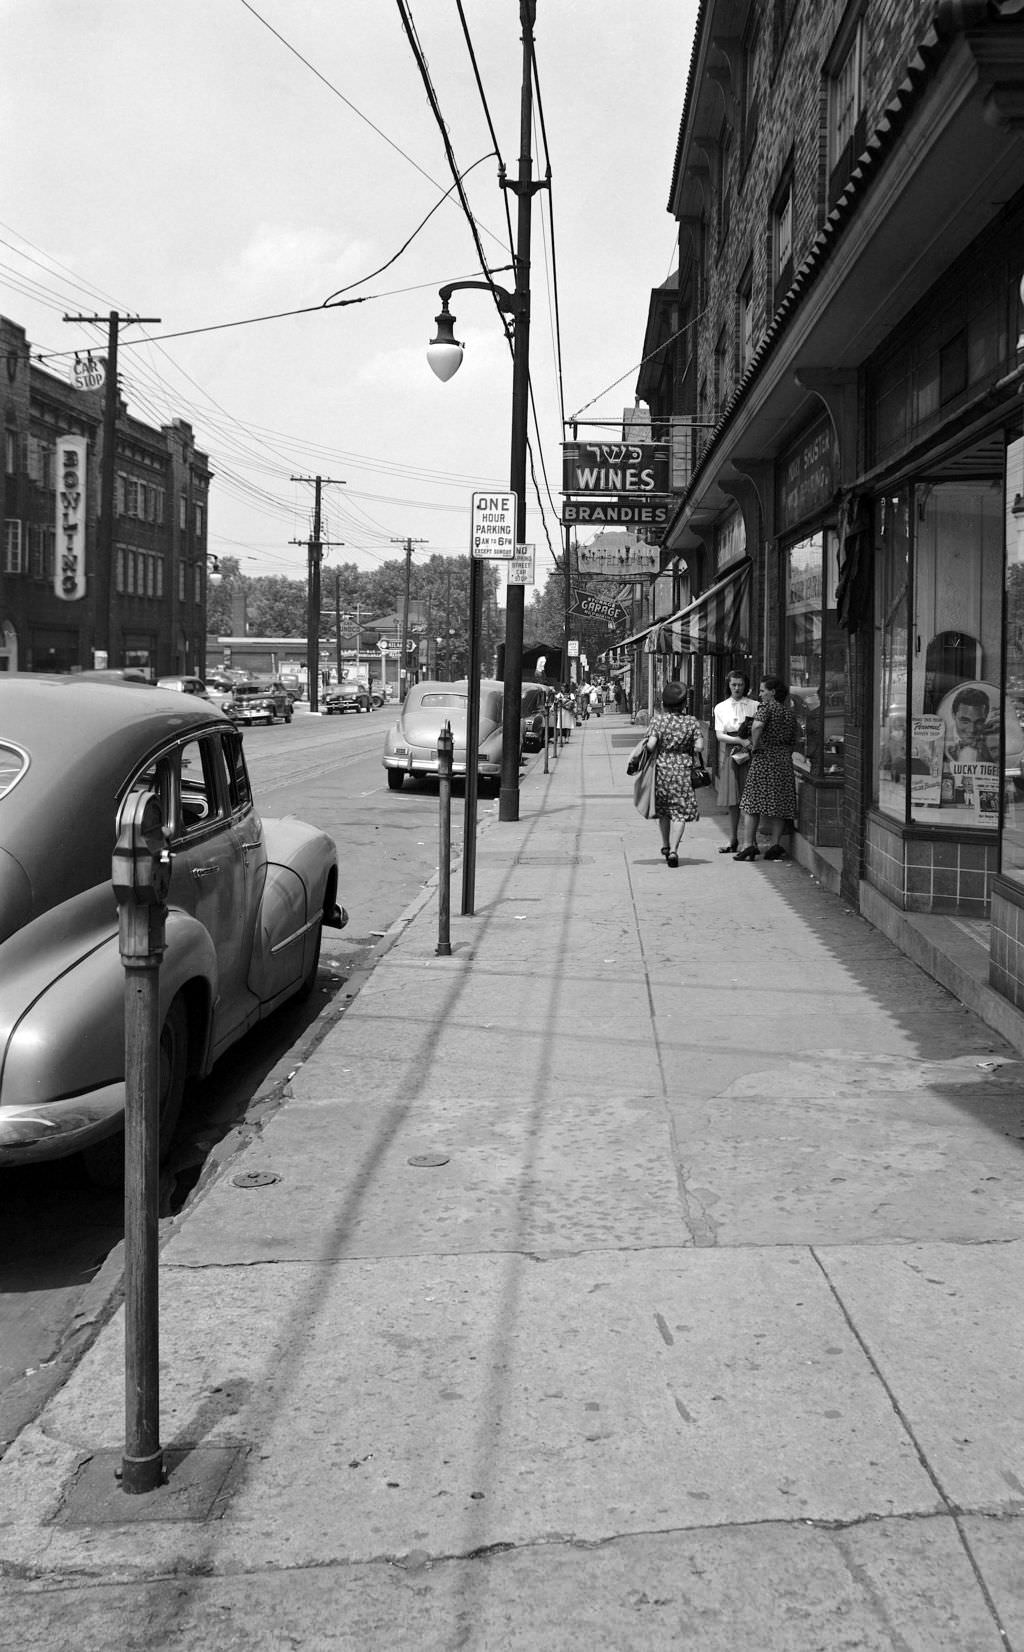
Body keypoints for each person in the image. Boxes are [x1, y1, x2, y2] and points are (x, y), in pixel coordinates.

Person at [628, 680, 704, 867]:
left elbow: (652, 744)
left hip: (661, 771)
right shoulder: (691, 721)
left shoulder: (659, 720)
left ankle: (664, 844)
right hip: (683, 772)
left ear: (664, 703)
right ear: (684, 703)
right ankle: (674, 851)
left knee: (664, 812)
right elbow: (699, 747)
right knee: (679, 813)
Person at [734, 675, 799, 861]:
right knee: (779, 803)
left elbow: (757, 726)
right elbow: (795, 739)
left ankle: (748, 846)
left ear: (773, 692)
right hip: (784, 760)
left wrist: (755, 745)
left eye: (763, 691)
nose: (760, 694)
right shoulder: (788, 713)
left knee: (751, 803)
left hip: (764, 758)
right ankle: (775, 845)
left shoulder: (766, 707)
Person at [713, 670, 760, 854]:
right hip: (732, 752)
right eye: (733, 684)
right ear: (728, 685)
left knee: (751, 798)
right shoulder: (720, 707)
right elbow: (719, 735)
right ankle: (733, 838)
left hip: (751, 752)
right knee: (734, 799)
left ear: (745, 685)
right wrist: (739, 741)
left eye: (740, 684)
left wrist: (750, 743)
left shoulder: (755, 705)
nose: (737, 688)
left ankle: (751, 841)